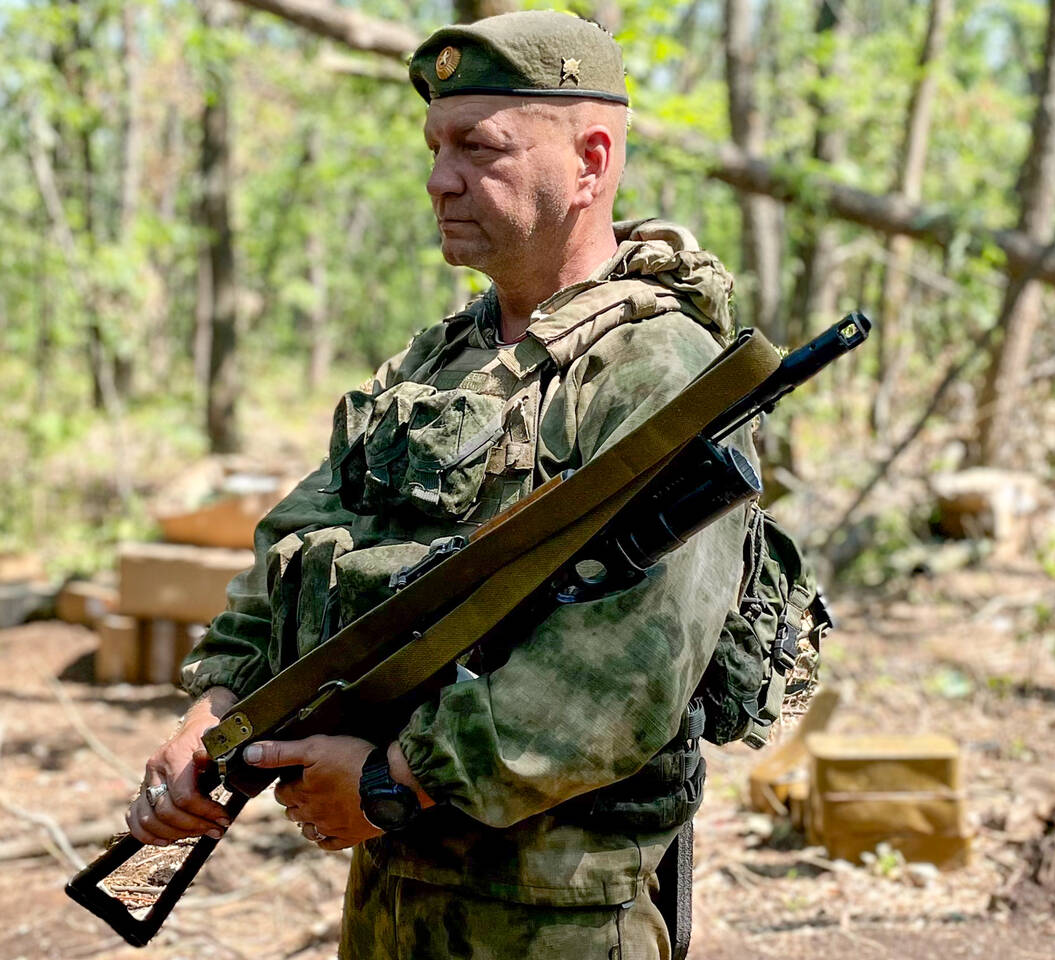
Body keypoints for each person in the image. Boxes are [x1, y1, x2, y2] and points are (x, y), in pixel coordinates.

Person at [126, 10, 751, 958]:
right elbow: (296, 546)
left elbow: (631, 667)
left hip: (553, 910)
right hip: (390, 887)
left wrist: (396, 779)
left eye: (478, 146)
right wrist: (212, 715)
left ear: (590, 160)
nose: (439, 179)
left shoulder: (662, 373)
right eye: (433, 146)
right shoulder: (439, 363)